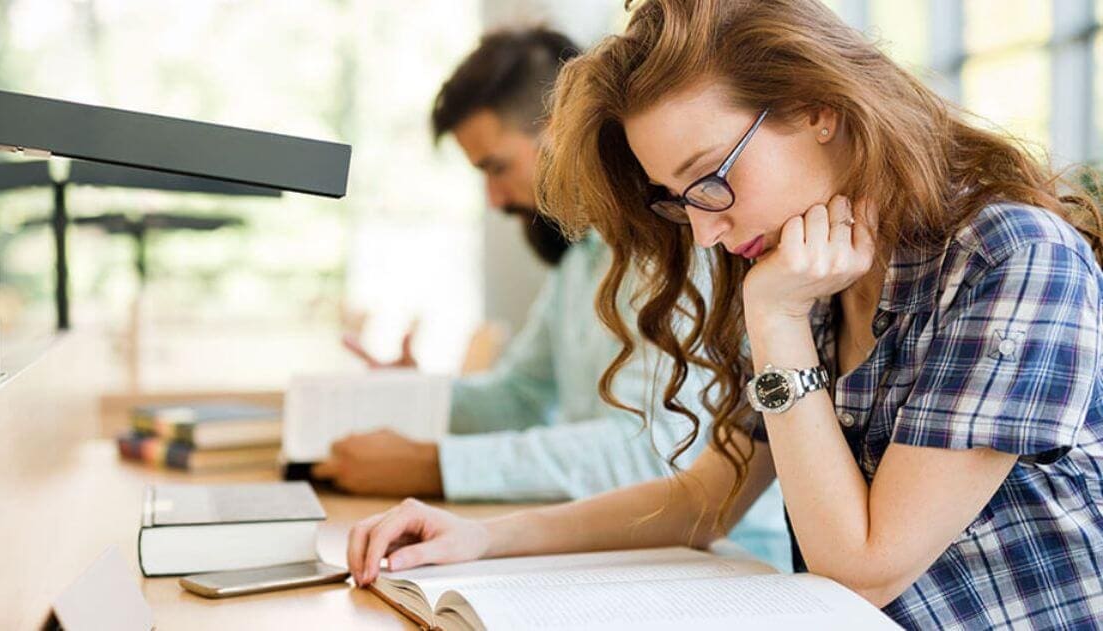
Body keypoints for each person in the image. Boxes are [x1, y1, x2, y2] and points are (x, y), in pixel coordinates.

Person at [345, 1, 1103, 628]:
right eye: (678, 197)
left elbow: (862, 570)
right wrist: (482, 537)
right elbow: (707, 496)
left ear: (820, 110)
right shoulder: (810, 270)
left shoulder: (1010, 257)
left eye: (709, 178)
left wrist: (776, 324)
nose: (704, 230)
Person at [316, 26, 791, 570]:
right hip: (622, 542)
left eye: (496, 167)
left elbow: (649, 454)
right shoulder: (584, 255)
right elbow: (522, 394)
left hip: (723, 559)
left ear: (561, 131)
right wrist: (409, 397)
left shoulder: (681, 246)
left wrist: (436, 465)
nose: (495, 200)